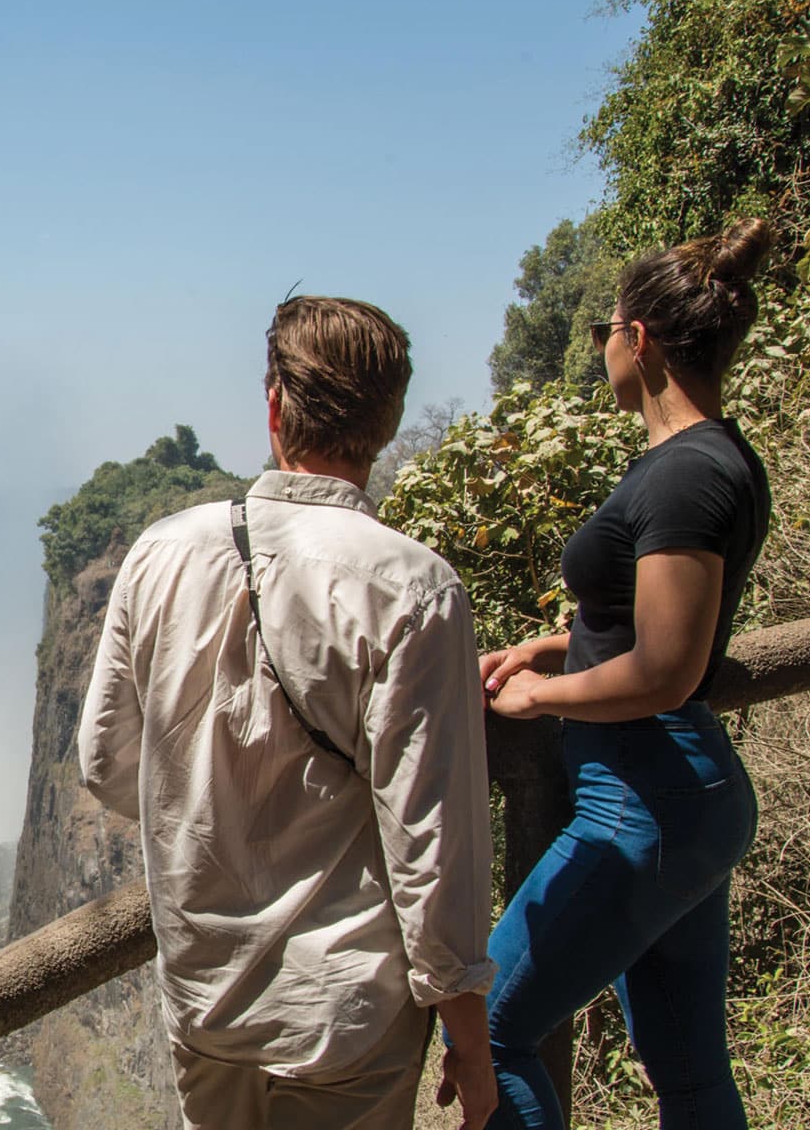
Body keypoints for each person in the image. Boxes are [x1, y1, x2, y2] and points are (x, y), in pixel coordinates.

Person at [79, 295, 498, 1130]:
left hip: (204, 1002)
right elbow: (432, 841)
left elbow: (106, 764)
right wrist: (470, 1038)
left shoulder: (162, 551)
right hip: (342, 1015)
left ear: (274, 405)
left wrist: (215, 814)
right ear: (388, 421)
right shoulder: (414, 589)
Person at [479, 219, 774, 1129]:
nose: (604, 346)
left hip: (644, 800)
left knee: (488, 1027)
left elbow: (666, 670)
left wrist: (539, 696)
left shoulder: (686, 476)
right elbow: (648, 626)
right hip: (675, 796)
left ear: (637, 340)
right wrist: (553, 648)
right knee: (686, 1069)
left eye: (606, 329)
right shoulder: (706, 460)